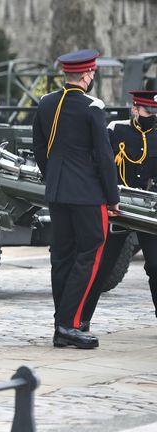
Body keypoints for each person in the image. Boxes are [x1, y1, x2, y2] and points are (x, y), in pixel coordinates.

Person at [32, 49, 119, 349]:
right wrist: (113, 197)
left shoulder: (45, 103)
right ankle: (71, 323)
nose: (93, 77)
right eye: (92, 73)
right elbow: (105, 158)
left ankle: (62, 324)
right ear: (85, 75)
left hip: (57, 192)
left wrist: (54, 177)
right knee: (90, 253)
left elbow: (40, 148)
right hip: (86, 193)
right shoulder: (92, 106)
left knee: (63, 257)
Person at [81, 90, 157, 328]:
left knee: (155, 265)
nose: (152, 116)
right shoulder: (116, 129)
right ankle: (81, 319)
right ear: (135, 109)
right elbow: (99, 161)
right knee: (102, 266)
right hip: (117, 205)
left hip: (146, 208)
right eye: (148, 112)